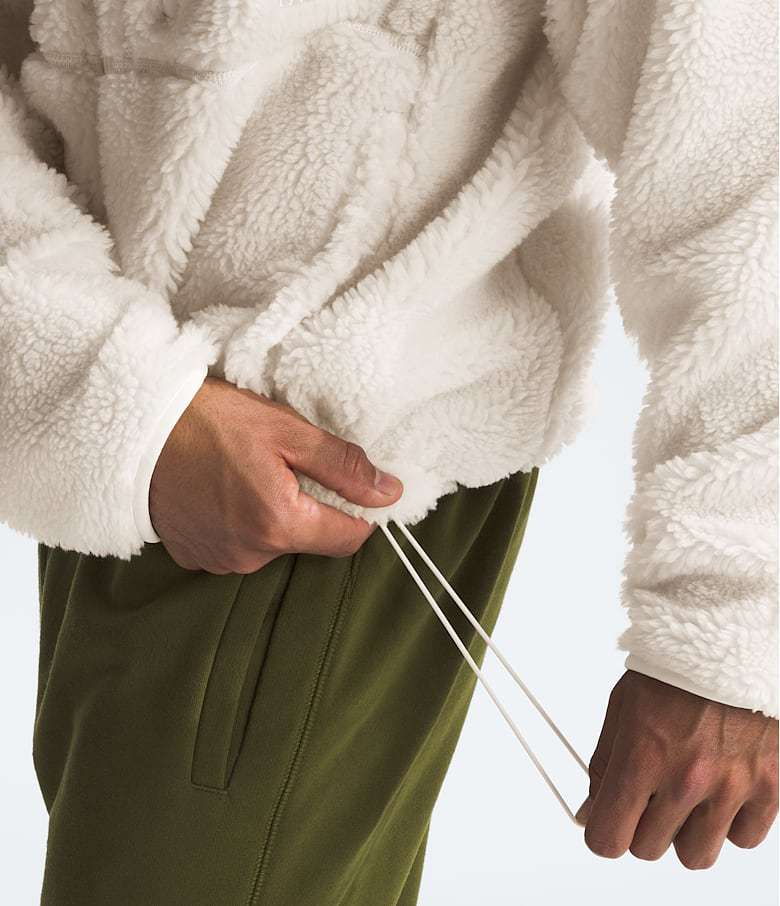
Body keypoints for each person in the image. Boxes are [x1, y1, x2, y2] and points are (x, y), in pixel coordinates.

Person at [0, 0, 777, 903]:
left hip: (327, 491)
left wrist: (733, 622)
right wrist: (102, 387)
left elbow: (741, 154)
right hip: (105, 456)